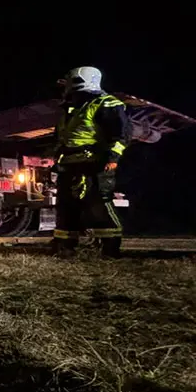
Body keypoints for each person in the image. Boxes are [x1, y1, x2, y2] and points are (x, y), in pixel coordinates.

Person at [52, 66, 131, 258]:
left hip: (95, 163)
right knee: (66, 205)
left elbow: (121, 135)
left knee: (98, 204)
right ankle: (65, 246)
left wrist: (113, 158)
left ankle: (110, 248)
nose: (66, 88)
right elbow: (64, 137)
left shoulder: (107, 104)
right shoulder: (73, 108)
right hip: (70, 163)